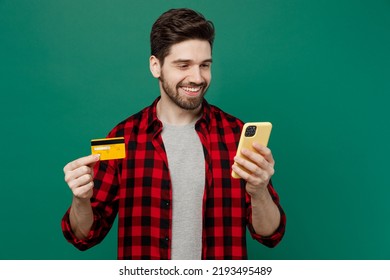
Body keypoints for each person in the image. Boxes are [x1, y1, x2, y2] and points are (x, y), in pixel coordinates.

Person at [62, 8, 286, 260]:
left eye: (205, 65)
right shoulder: (122, 137)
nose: (198, 77)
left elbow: (271, 234)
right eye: (183, 65)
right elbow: (84, 236)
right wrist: (80, 199)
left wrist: (260, 190)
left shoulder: (236, 135)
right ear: (155, 66)